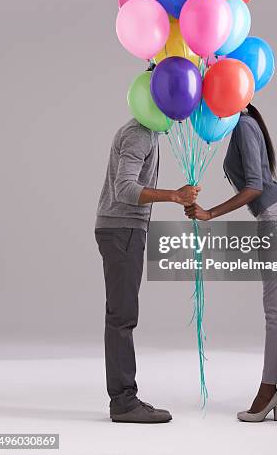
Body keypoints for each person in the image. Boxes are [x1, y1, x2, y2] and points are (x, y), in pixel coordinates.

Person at [185, 104, 277, 423]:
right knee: (273, 305)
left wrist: (209, 214)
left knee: (274, 307)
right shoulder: (240, 125)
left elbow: (255, 187)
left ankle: (269, 389)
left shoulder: (244, 126)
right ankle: (270, 388)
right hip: (272, 215)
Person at [95, 116, 200, 423]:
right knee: (122, 317)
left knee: (121, 315)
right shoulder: (140, 133)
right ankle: (124, 402)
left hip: (125, 230)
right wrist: (175, 195)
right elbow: (125, 188)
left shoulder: (147, 131)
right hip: (122, 230)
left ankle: (124, 398)